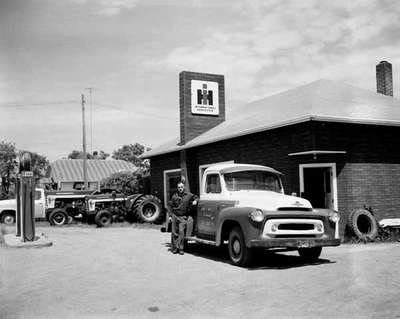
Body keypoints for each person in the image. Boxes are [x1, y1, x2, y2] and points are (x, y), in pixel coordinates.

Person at [170, 182, 197, 255]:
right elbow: (171, 206)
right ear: (177, 188)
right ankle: (175, 248)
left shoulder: (188, 195)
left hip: (183, 217)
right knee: (174, 233)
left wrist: (195, 201)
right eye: (179, 187)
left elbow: (196, 197)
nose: (180, 188)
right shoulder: (174, 196)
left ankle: (181, 248)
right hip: (175, 216)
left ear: (184, 187)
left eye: (181, 187)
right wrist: (170, 216)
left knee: (181, 232)